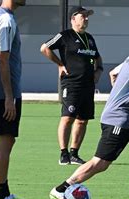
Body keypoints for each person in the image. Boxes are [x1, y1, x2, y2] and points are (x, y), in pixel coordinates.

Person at [49, 25, 129, 199]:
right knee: (99, 164)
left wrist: (121, 92)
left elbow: (113, 73)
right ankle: (61, 189)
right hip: (118, 119)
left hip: (126, 116)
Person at [40, 6, 103, 165]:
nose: (86, 19)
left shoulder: (90, 38)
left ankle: (74, 153)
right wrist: (60, 64)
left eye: (87, 16)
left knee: (83, 120)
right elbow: (44, 48)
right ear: (73, 19)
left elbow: (97, 57)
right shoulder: (65, 36)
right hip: (72, 83)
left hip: (88, 84)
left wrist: (99, 70)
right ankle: (63, 153)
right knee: (68, 117)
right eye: (83, 16)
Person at [0, 0, 29, 199]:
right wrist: (9, 97)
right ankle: (0, 195)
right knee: (6, 141)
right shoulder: (5, 20)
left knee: (8, 140)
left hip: (0, 91)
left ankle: (3, 192)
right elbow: (2, 59)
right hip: (4, 92)